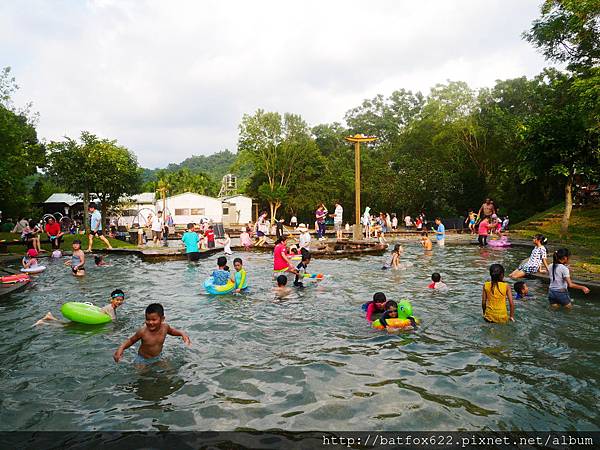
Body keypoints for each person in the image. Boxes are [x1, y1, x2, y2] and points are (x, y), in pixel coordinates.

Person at [113, 303, 191, 365]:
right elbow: (131, 340)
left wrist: (182, 333)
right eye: (147, 319)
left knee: (169, 370)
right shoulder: (143, 332)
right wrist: (121, 348)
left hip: (157, 357)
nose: (150, 322)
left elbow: (172, 332)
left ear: (162, 319)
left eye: (154, 320)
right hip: (142, 359)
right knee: (141, 376)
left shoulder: (165, 327)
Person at [35, 289, 126, 326]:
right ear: (111, 300)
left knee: (69, 325)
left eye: (121, 300)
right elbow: (113, 321)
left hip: (92, 317)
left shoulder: (111, 307)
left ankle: (50, 317)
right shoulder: (110, 308)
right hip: (90, 318)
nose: (119, 302)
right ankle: (45, 322)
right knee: (67, 326)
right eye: (117, 300)